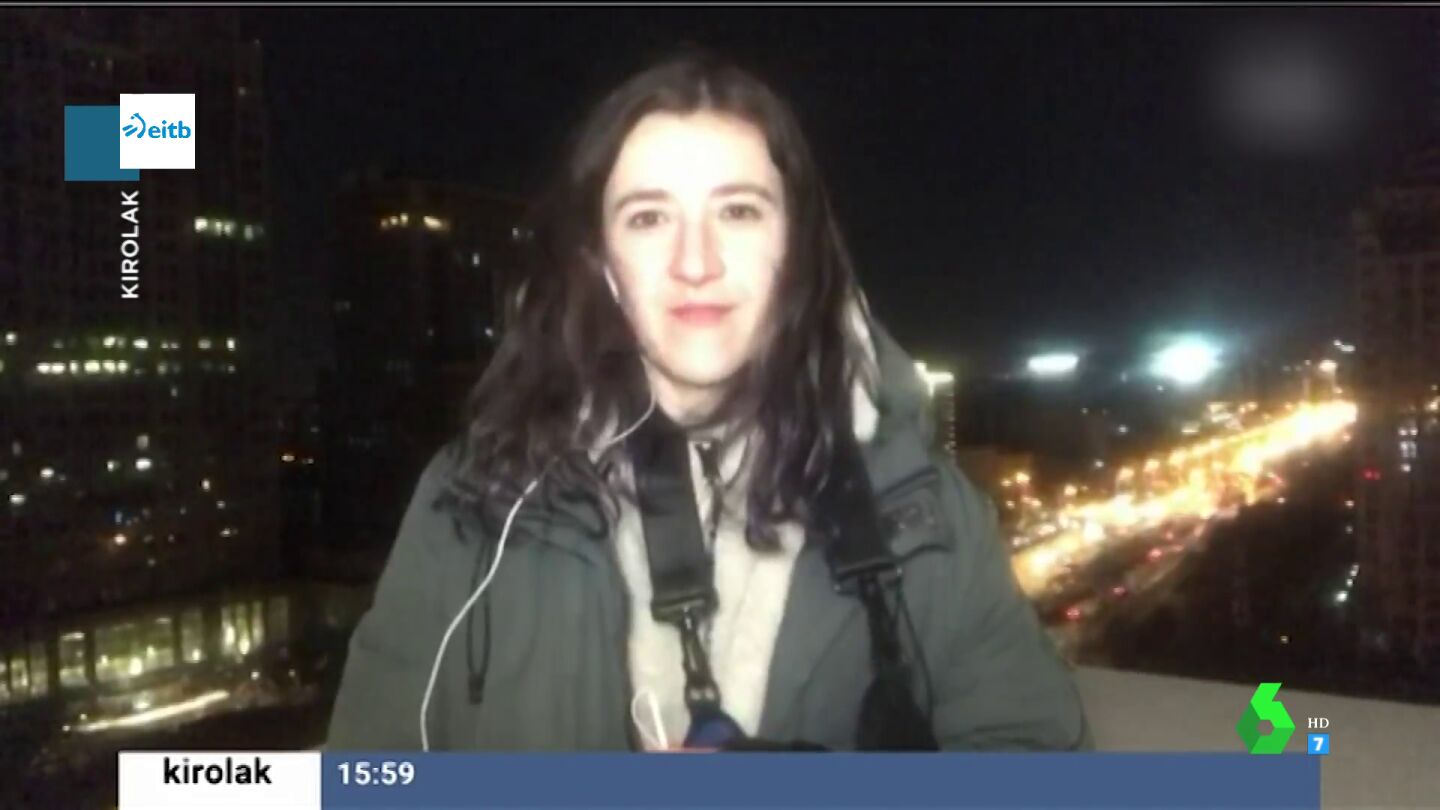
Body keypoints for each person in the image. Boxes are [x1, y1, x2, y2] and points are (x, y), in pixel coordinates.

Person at [324, 46, 1091, 752]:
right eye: (649, 217)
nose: (696, 261)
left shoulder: (922, 508)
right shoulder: (474, 502)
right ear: (602, 261)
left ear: (796, 247)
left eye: (738, 210)